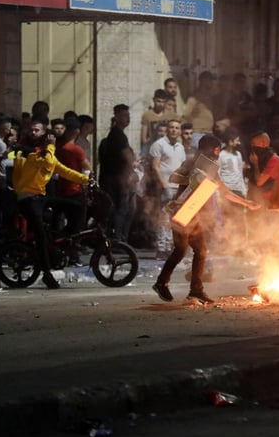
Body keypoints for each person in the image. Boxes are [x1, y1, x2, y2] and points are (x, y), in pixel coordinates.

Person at [153, 135, 260, 305]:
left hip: (195, 214)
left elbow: (224, 191)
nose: (218, 152)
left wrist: (246, 203)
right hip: (182, 212)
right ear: (210, 148)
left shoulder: (211, 168)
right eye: (217, 149)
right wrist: (193, 178)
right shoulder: (191, 163)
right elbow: (173, 178)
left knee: (201, 251)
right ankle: (161, 283)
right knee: (180, 250)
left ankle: (196, 290)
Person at [12, 117, 91, 289]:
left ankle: (59, 242)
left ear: (44, 132)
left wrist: (87, 179)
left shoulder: (47, 152)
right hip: (27, 198)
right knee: (40, 234)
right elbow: (46, 160)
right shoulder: (27, 152)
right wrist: (51, 147)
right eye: (31, 130)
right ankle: (47, 274)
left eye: (37, 130)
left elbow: (65, 171)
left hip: (40, 197)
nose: (34, 133)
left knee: (75, 205)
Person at [98, 104, 136, 242]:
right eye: (124, 116)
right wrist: (134, 164)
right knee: (121, 210)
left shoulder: (118, 135)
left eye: (128, 116)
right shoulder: (117, 135)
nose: (128, 119)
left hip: (118, 180)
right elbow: (127, 157)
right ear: (117, 117)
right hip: (118, 181)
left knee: (123, 209)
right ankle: (117, 240)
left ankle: (119, 238)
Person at [150, 120, 186, 258]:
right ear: (167, 129)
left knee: (174, 219)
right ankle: (161, 247)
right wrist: (164, 185)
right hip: (165, 186)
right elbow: (155, 166)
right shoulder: (159, 145)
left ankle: (170, 246)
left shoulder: (180, 147)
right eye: (171, 127)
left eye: (177, 128)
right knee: (164, 217)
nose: (174, 130)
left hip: (177, 188)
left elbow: (182, 167)